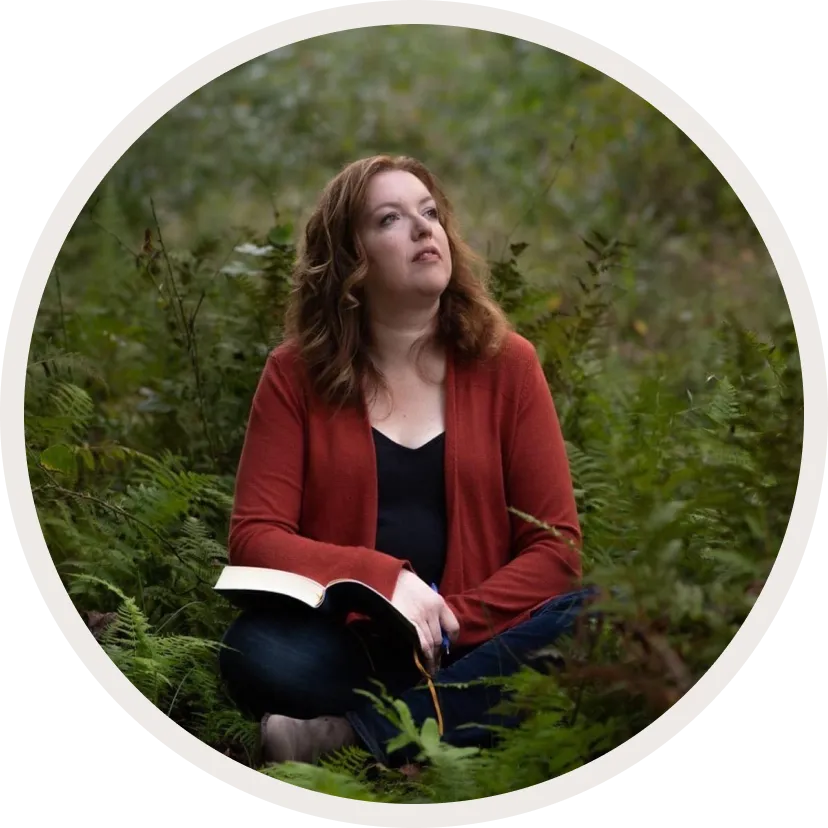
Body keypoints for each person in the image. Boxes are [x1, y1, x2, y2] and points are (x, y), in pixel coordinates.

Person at [217, 154, 592, 770]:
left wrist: (448, 621)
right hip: (355, 645)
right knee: (256, 650)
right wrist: (384, 580)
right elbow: (255, 539)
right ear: (350, 263)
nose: (424, 229)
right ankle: (450, 719)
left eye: (430, 213)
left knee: (599, 617)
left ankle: (347, 736)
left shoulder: (508, 364)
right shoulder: (294, 375)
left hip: (479, 641)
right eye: (390, 218)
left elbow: (557, 551)